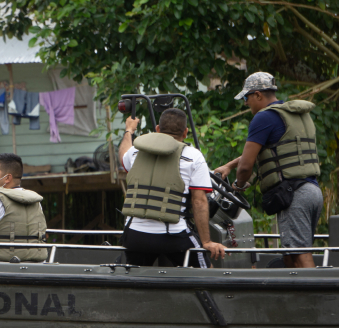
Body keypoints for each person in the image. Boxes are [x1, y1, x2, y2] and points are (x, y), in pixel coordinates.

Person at [214, 72, 322, 268]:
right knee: (290, 256)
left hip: (293, 195)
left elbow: (247, 165)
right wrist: (230, 165)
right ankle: (292, 298)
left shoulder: (263, 118)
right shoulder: (292, 114)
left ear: (258, 95)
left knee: (299, 255)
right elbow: (273, 150)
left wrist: (237, 187)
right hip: (312, 191)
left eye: (246, 98)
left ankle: (318, 298)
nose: (246, 103)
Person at [118, 108, 226, 267]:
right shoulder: (193, 156)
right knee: (205, 272)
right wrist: (207, 241)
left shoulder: (136, 152)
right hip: (173, 236)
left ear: (157, 130)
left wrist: (129, 130)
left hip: (134, 236)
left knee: (136, 278)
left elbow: (123, 155)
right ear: (185, 132)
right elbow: (199, 202)